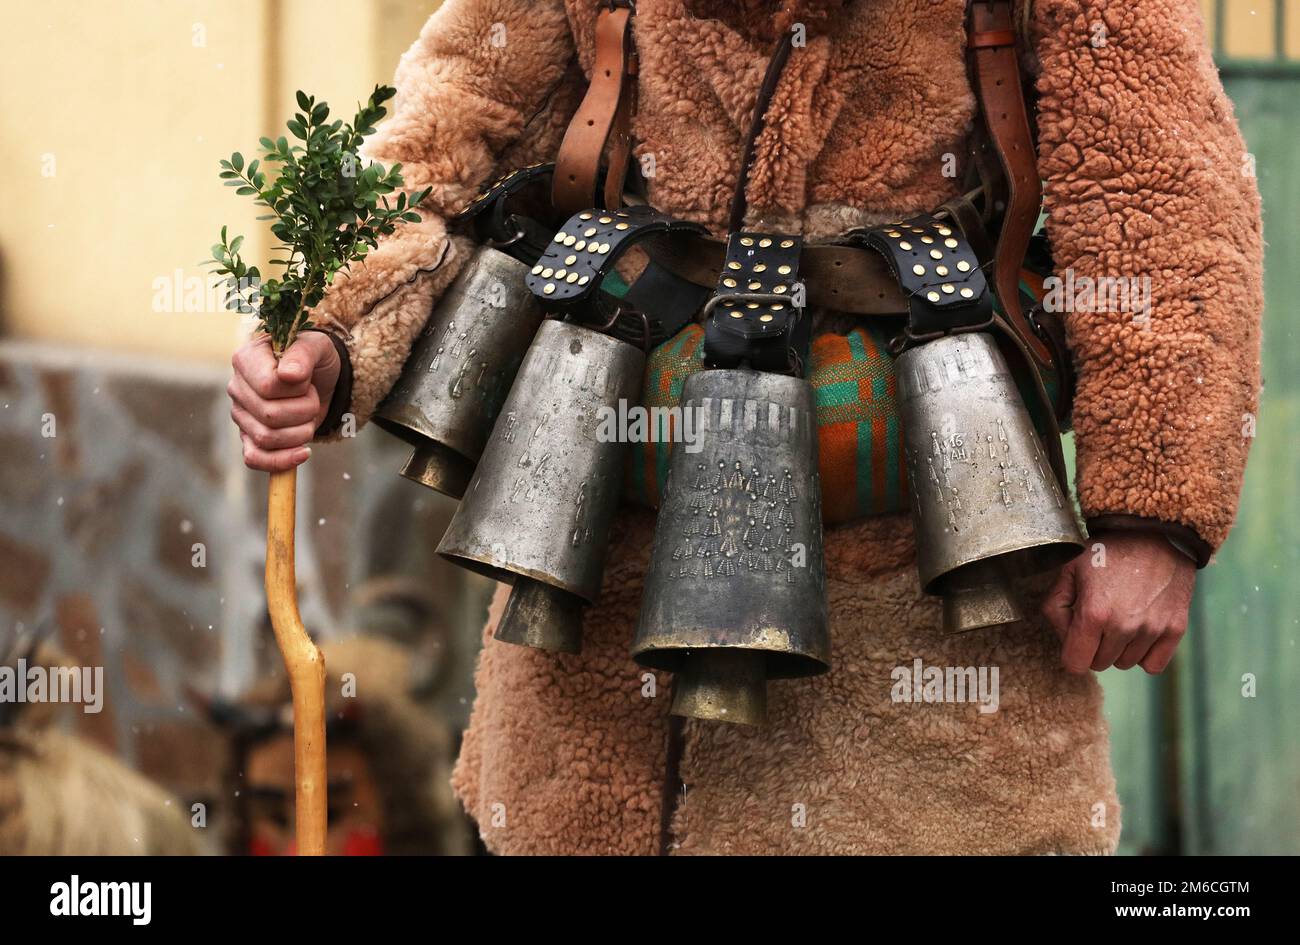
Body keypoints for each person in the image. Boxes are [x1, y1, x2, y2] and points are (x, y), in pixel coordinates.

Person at [227, 0, 1263, 854]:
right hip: (596, 633)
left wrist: (1151, 519)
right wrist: (331, 325)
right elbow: (449, 124)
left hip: (916, 636)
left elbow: (1163, 201)